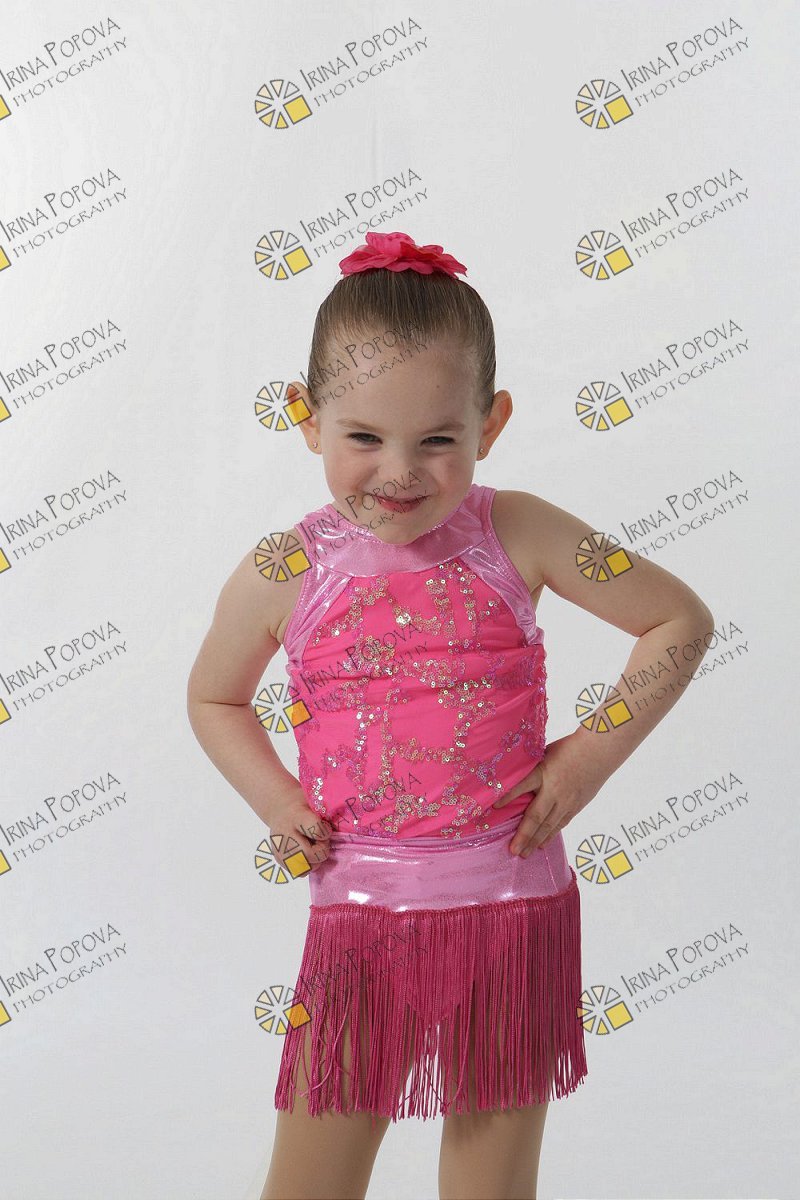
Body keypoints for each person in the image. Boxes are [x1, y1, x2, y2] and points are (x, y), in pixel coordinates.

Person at [186, 230, 716, 1200]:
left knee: (490, 1187)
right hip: (359, 919)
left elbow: (675, 621)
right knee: (310, 1181)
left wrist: (584, 762)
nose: (398, 471)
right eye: (362, 438)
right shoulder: (282, 568)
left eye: (437, 440)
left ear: (491, 422)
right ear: (306, 417)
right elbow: (215, 696)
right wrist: (274, 801)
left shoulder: (522, 530)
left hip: (513, 913)